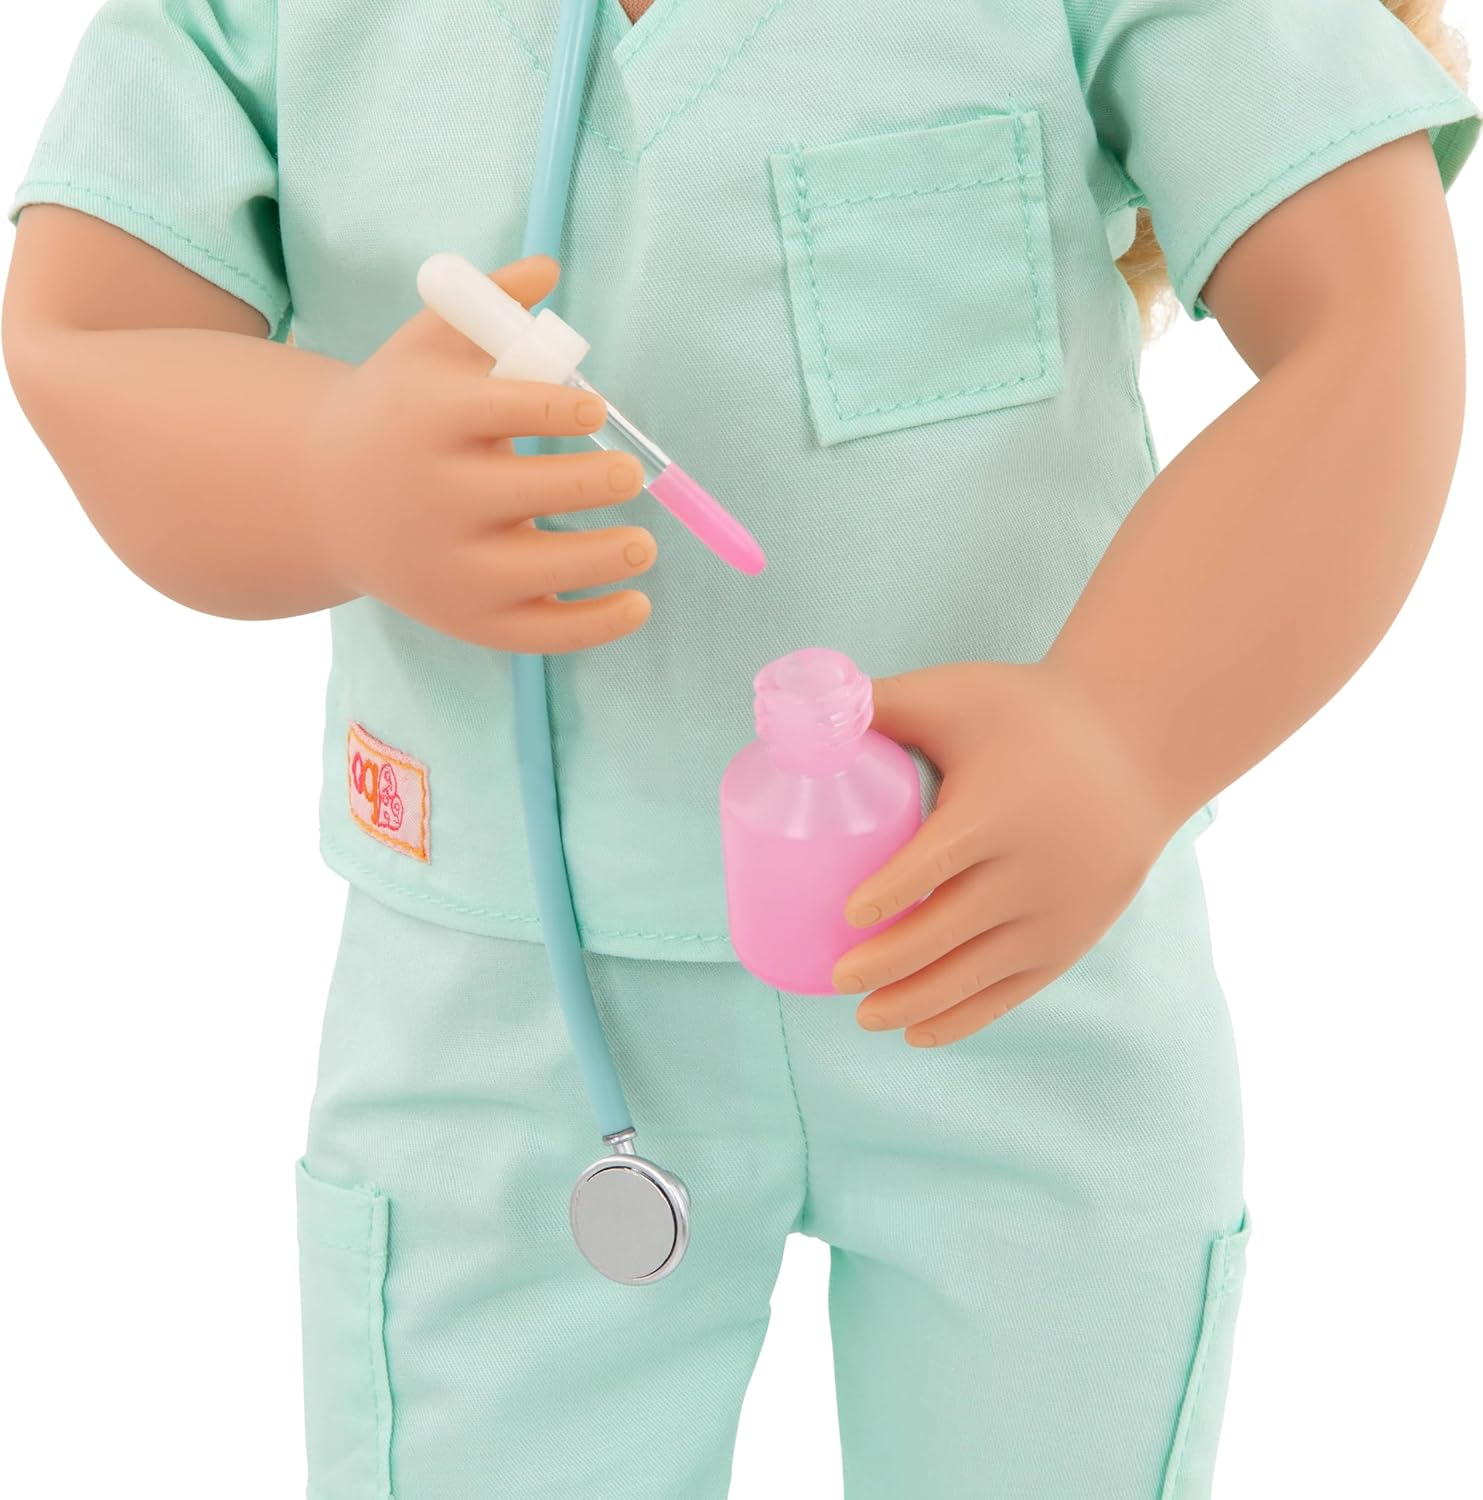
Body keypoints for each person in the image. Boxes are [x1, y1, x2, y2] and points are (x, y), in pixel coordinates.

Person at [3, 0, 1477, 1494]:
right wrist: (324, 473)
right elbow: (91, 326)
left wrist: (1129, 730)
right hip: (506, 1003)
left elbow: (1367, 311)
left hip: (1019, 934)